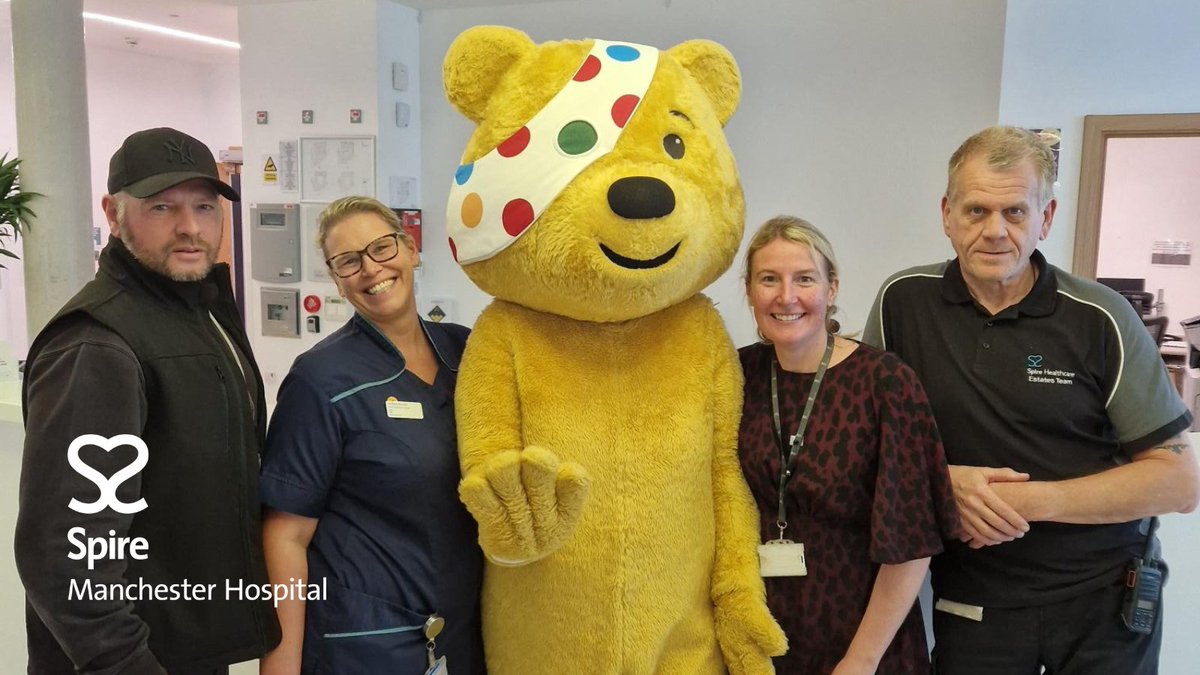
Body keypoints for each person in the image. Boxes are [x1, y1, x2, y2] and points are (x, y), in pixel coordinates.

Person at [863, 125, 1199, 674]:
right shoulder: (903, 301)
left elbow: (1179, 483)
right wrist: (942, 482)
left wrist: (1026, 502)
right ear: (947, 214)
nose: (995, 231)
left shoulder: (1101, 317)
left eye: (1015, 212)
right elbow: (863, 442)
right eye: (976, 211)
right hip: (973, 599)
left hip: (1103, 599)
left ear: (1045, 218)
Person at [15, 127, 281, 674]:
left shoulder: (199, 312)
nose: (190, 228)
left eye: (205, 207)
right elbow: (65, 553)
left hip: (189, 643)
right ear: (113, 213)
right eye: (162, 207)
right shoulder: (97, 344)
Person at [258, 196, 485, 675]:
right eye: (349, 261)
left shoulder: (468, 354)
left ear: (410, 249)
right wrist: (280, 667)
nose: (370, 268)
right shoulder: (321, 380)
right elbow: (286, 535)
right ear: (337, 280)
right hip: (364, 647)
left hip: (463, 636)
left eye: (382, 248)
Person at [738, 215, 959, 674]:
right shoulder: (737, 376)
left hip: (863, 643)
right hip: (759, 638)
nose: (787, 296)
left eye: (805, 279)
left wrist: (861, 660)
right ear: (749, 291)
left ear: (832, 288)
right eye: (769, 279)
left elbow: (912, 541)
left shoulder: (886, 383)